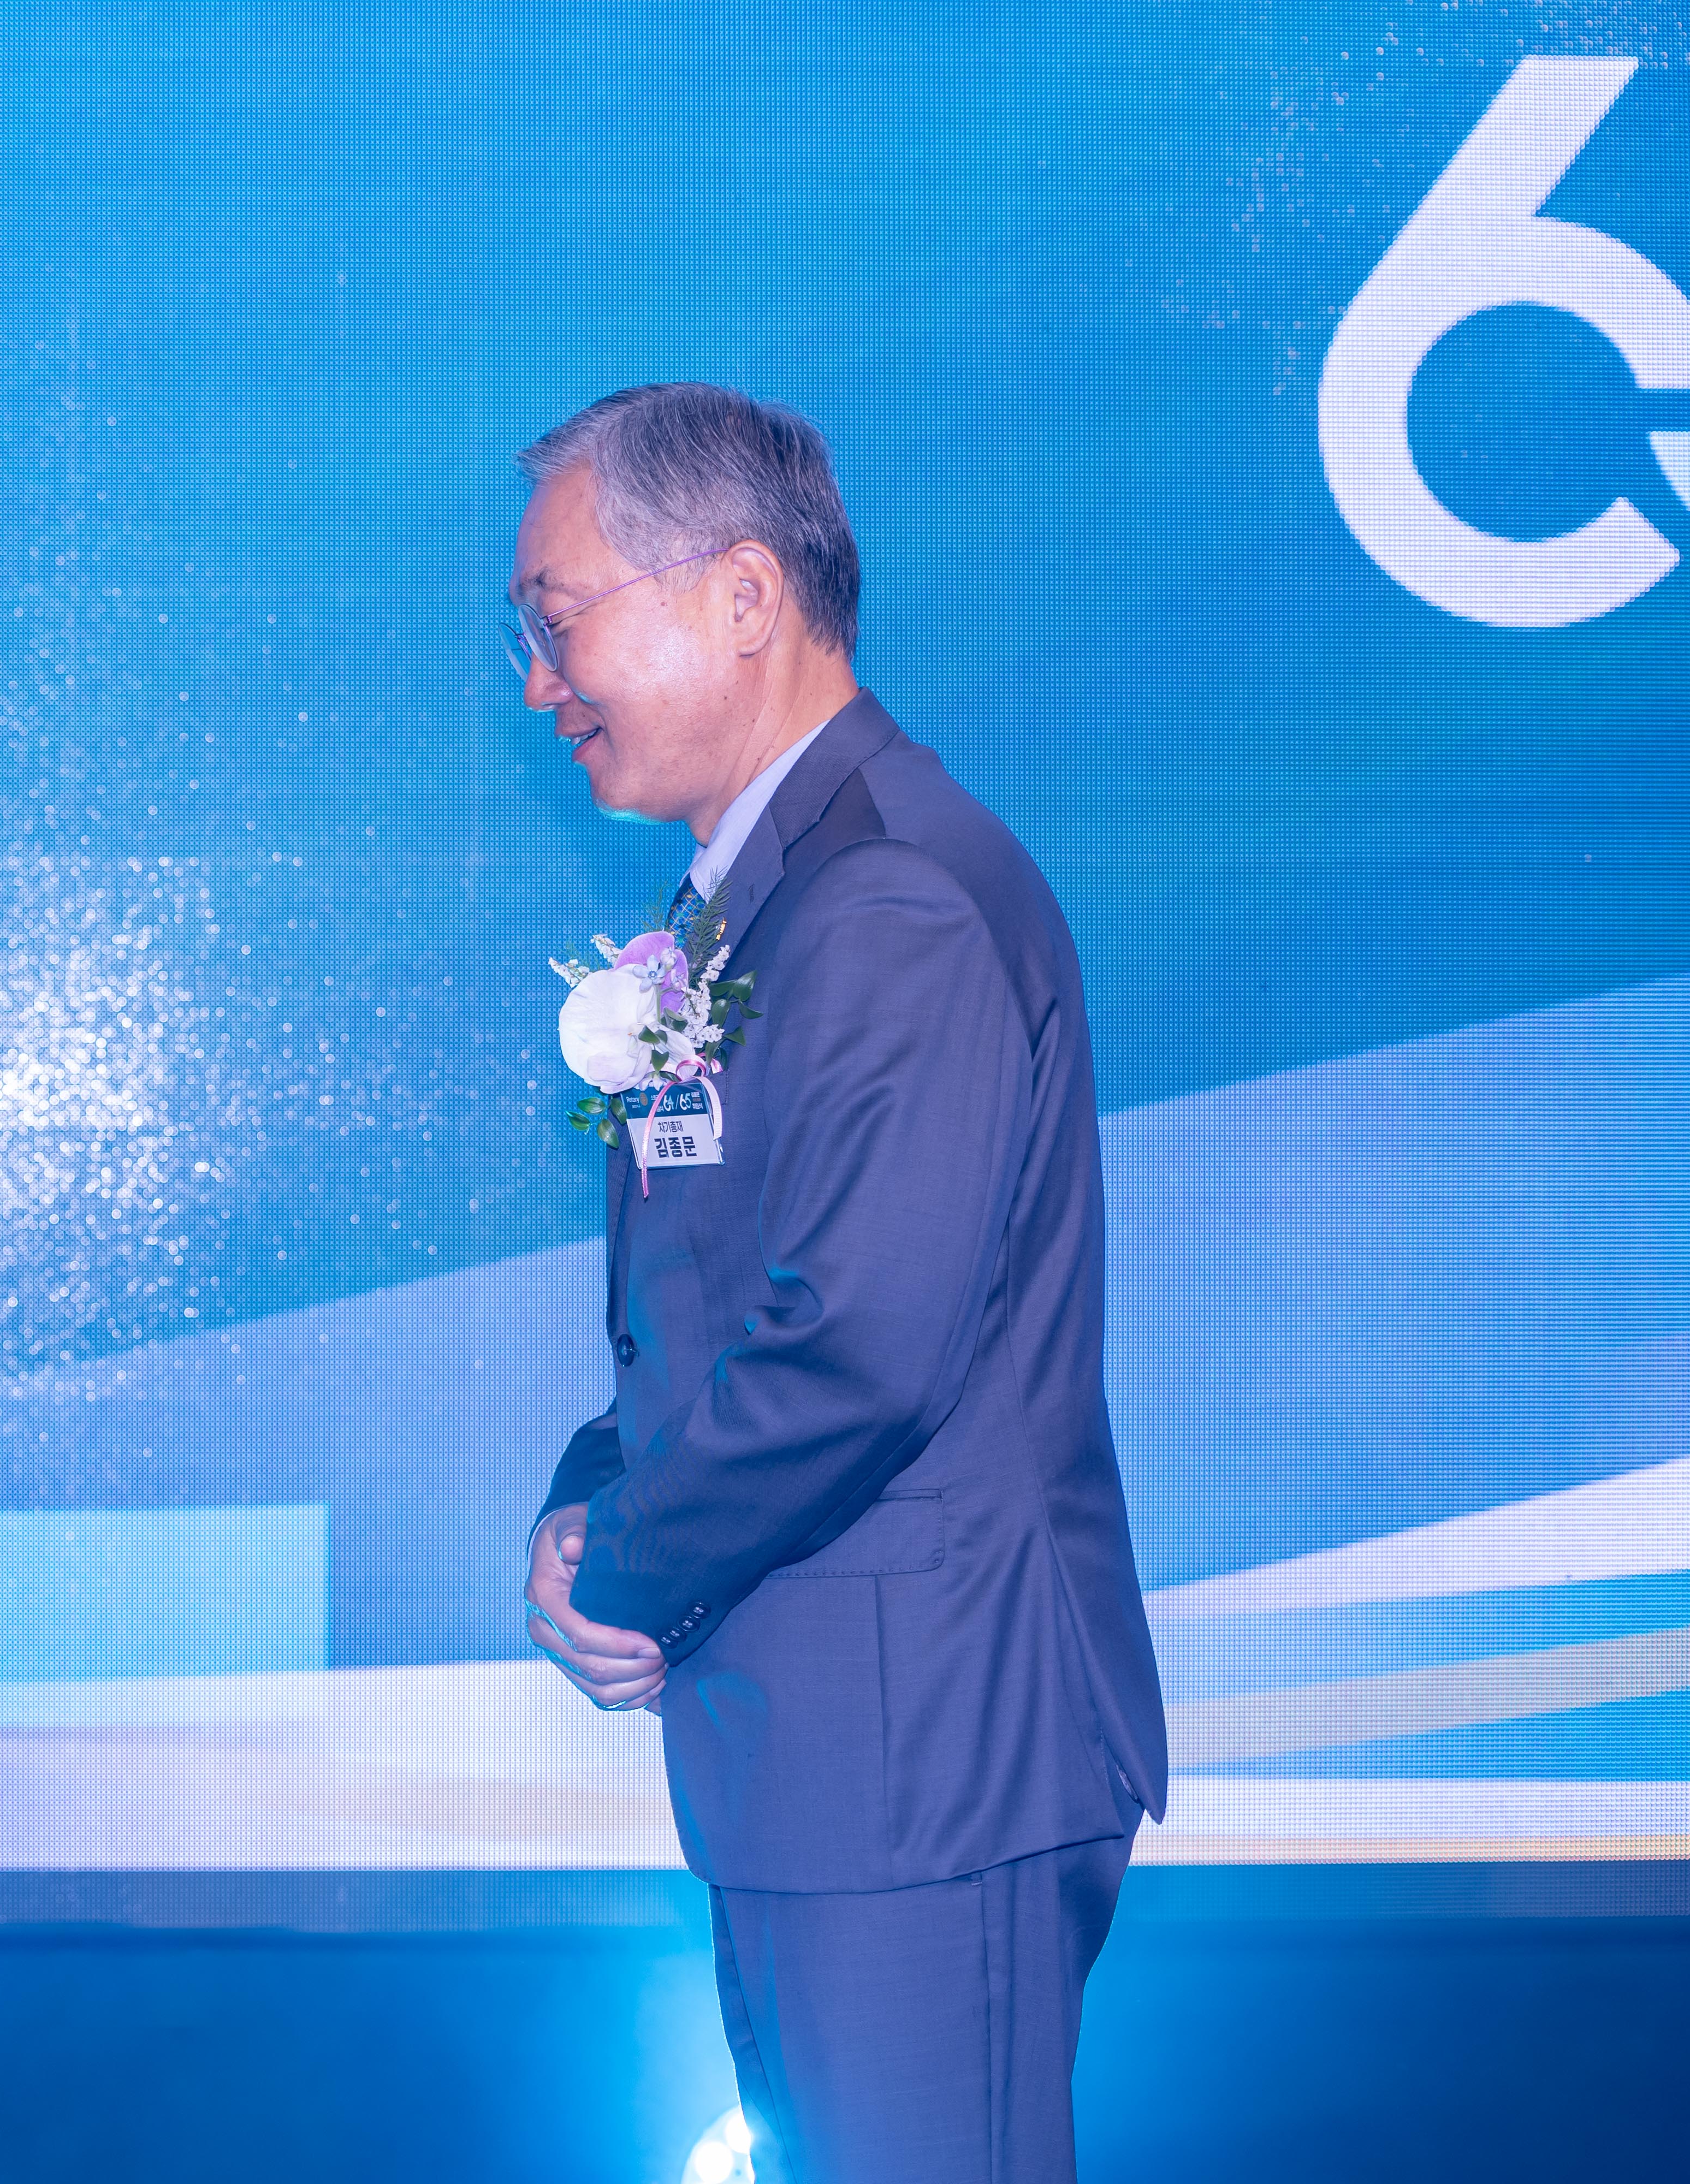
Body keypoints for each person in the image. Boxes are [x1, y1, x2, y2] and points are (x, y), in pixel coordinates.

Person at [509, 383, 1166, 2183]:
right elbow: (725, 1301)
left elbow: (858, 1348)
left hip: (923, 1754)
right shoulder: (770, 900)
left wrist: (626, 1566)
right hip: (835, 1756)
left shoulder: (889, 898)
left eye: (560, 620)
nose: (542, 684)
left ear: (742, 594)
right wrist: (587, 1495)